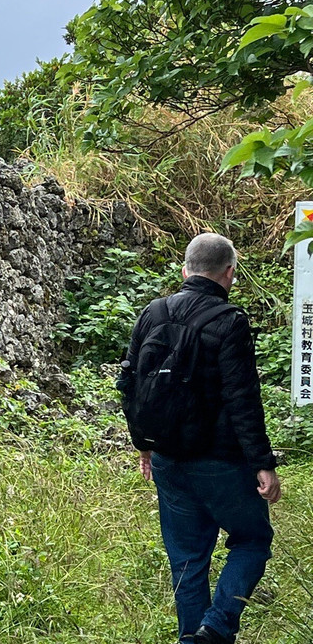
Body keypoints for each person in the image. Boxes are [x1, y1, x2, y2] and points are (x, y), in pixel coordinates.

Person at [123, 233, 281, 644]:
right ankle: (216, 626)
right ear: (229, 273)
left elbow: (129, 382)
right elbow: (243, 399)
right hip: (221, 462)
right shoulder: (229, 321)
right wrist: (262, 462)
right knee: (252, 539)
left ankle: (192, 637)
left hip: (169, 459)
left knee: (188, 561)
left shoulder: (152, 313)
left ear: (185, 270)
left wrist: (144, 444)